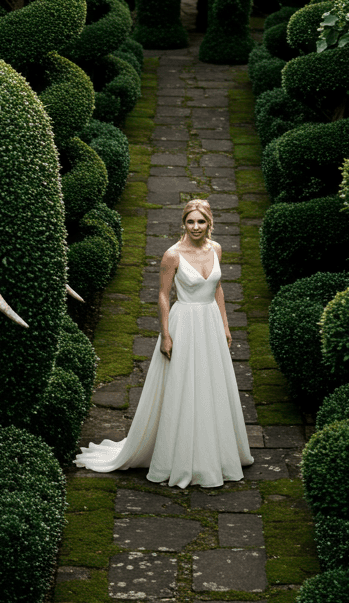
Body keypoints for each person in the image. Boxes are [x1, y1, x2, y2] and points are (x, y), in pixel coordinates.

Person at [74, 198, 254, 487]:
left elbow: (217, 287)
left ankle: (215, 451)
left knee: (211, 385)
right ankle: (180, 456)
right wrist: (166, 334)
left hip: (209, 323)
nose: (196, 227)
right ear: (183, 223)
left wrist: (225, 324)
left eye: (201, 221)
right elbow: (162, 295)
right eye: (191, 221)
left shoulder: (216, 249)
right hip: (185, 324)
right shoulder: (172, 255)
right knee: (183, 387)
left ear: (210, 223)